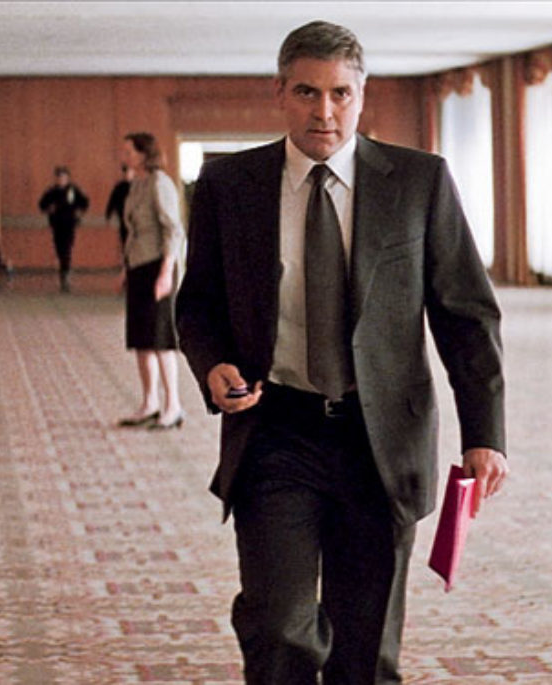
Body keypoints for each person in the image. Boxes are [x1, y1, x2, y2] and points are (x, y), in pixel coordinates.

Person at [175, 20, 508, 684]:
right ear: (279, 93)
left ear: (362, 95)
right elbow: (198, 301)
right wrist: (212, 364)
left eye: (339, 93)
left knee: (366, 648)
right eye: (306, 92)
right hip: (276, 432)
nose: (323, 112)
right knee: (278, 625)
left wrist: (484, 433)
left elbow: (466, 315)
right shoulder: (228, 184)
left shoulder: (418, 182)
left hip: (379, 440)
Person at [117, 132, 186, 430]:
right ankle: (150, 403)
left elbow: (173, 230)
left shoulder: (160, 182)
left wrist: (166, 272)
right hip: (138, 266)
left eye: (129, 151)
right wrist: (126, 267)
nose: (125, 156)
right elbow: (133, 231)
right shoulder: (137, 183)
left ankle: (173, 406)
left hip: (158, 267)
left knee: (160, 339)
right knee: (141, 340)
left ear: (145, 153)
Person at [38, 165, 90, 292]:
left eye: (64, 177)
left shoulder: (73, 190)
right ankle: (63, 270)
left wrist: (79, 212)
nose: (62, 180)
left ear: (67, 178)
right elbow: (41, 204)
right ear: (56, 179)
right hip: (57, 224)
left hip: (69, 224)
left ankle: (65, 273)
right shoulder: (52, 192)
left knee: (67, 248)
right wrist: (49, 209)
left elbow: (84, 202)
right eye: (60, 177)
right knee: (59, 249)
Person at [105, 163, 135, 258]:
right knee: (125, 242)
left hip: (135, 220)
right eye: (125, 172)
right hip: (123, 219)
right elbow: (112, 201)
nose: (127, 174)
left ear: (133, 173)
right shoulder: (119, 187)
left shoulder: (137, 186)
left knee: (135, 242)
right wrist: (108, 215)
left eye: (129, 171)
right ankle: (127, 261)